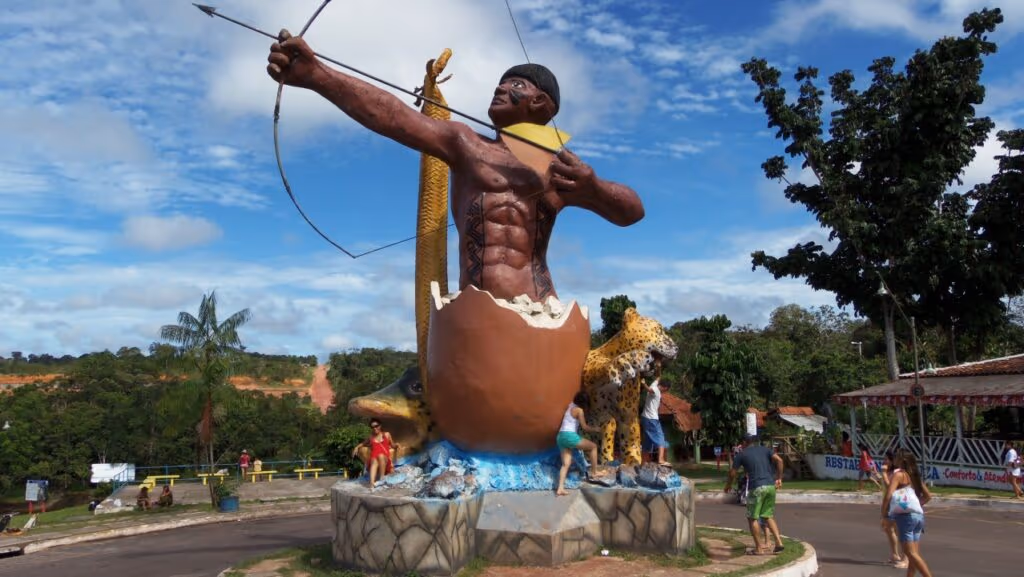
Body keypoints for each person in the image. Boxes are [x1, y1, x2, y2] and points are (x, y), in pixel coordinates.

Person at [266, 33, 644, 304]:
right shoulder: (465, 143)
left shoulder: (559, 171)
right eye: (500, 83)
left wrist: (593, 187)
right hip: (475, 310)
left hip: (539, 308)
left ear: (540, 103)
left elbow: (631, 211)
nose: (499, 89)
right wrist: (317, 76)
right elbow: (394, 116)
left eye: (514, 84)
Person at [724, 435, 785, 555]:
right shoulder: (765, 449)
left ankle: (759, 548)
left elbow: (732, 473)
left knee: (752, 518)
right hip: (770, 486)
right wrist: (779, 478)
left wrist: (728, 485)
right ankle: (779, 543)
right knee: (768, 516)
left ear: (744, 442)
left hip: (756, 488)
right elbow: (780, 460)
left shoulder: (741, 454)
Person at [882, 450, 933, 577]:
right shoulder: (914, 476)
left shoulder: (899, 475)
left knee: (910, 553)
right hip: (918, 517)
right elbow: (928, 496)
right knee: (913, 555)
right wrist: (915, 505)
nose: (894, 459)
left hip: (906, 518)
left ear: (902, 460)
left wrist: (884, 513)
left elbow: (888, 495)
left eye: (897, 457)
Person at [555, 392, 602, 496]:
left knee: (565, 464)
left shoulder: (570, 405)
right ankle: (594, 472)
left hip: (560, 437)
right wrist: (595, 429)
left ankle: (560, 488)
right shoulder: (579, 411)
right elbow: (584, 427)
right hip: (569, 436)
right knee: (593, 447)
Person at [878, 450, 907, 568]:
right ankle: (895, 554)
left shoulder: (897, 472)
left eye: (886, 459)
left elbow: (890, 487)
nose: (884, 461)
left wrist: (884, 473)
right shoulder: (890, 472)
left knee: (898, 530)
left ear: (892, 461)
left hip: (896, 503)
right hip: (888, 502)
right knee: (888, 529)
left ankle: (905, 557)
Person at [352, 419, 400, 488]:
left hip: (385, 461)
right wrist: (356, 447)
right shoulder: (370, 437)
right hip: (374, 461)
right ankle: (371, 484)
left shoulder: (387, 434)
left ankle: (382, 478)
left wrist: (397, 445)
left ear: (380, 425)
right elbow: (363, 443)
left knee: (380, 455)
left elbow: (393, 445)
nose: (374, 428)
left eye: (376, 426)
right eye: (372, 427)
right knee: (374, 459)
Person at [640, 361, 670, 466]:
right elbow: (650, 390)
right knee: (661, 438)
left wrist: (659, 367)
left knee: (647, 440)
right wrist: (643, 384)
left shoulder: (655, 384)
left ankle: (643, 462)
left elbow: (658, 377)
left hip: (645, 418)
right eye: (666, 390)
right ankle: (661, 459)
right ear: (665, 387)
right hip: (652, 419)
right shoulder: (656, 390)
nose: (665, 392)